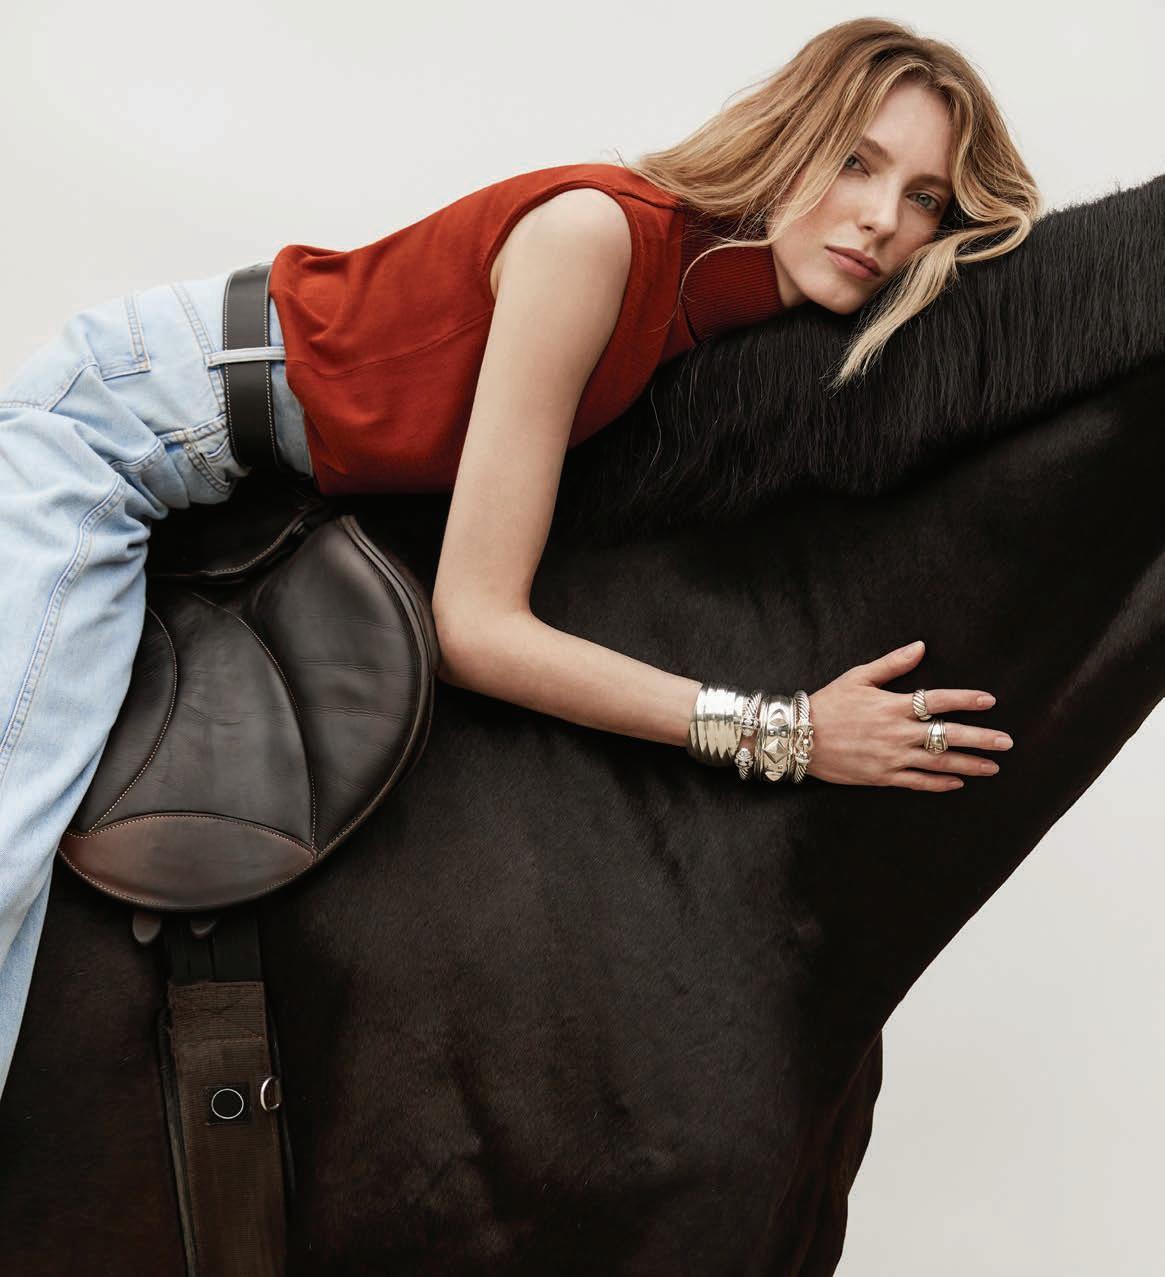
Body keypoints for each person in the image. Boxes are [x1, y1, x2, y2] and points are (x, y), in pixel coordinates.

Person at [0, 17, 1039, 1099]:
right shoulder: (598, 238)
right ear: (792, 136)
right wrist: (787, 732)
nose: (882, 218)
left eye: (926, 199)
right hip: (107, 429)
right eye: (856, 162)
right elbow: (475, 628)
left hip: (245, 469)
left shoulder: (734, 319)